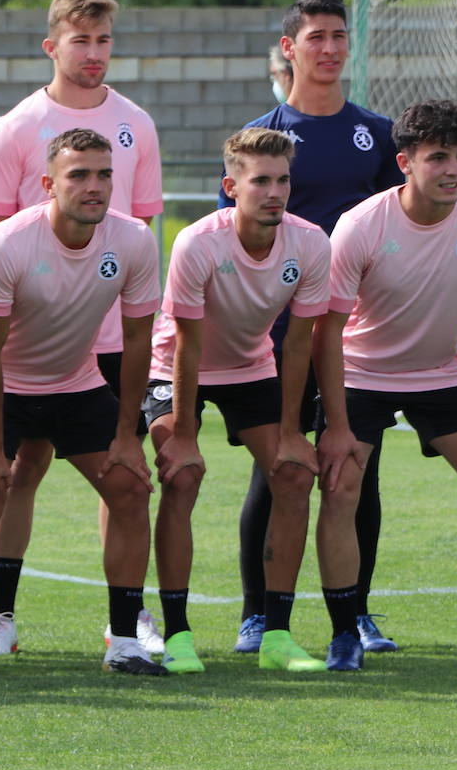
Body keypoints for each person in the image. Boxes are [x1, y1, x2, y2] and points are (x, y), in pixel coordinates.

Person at [0, 0, 164, 658]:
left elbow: (138, 231)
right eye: (81, 40)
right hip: (27, 343)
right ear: (52, 46)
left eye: (105, 40)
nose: (94, 53)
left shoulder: (136, 121)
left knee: (121, 473)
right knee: (16, 475)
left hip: (105, 345)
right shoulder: (18, 125)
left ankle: (126, 621)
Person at [322, 99, 457, 668]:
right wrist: (338, 424)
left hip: (442, 375)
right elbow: (326, 330)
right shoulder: (361, 225)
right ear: (404, 162)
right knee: (342, 488)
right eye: (438, 157)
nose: (454, 169)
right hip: (362, 374)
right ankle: (345, 635)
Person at [0, 127, 162, 682]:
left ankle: (123, 641)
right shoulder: (8, 243)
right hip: (0, 383)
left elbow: (138, 342)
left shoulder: (134, 241)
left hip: (74, 380)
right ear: (48, 184)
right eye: (79, 175)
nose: (95, 186)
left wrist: (126, 434)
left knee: (131, 488)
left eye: (104, 174)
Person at [148, 127, 366, 675]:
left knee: (293, 475)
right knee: (182, 475)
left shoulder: (311, 243)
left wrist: (292, 432)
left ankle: (276, 635)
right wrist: (184, 437)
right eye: (261, 181)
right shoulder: (198, 242)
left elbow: (298, 343)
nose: (274, 192)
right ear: (231, 186)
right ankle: (177, 636)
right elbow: (188, 344)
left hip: (251, 365)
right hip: (176, 366)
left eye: (283, 180)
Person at [228, 0, 403, 656]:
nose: (329, 48)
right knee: (277, 470)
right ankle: (257, 615)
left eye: (338, 36)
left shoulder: (379, 135)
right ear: (289, 49)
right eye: (316, 37)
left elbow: (397, 227)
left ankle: (356, 612)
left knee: (361, 468)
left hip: (359, 336)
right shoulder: (266, 137)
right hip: (281, 337)